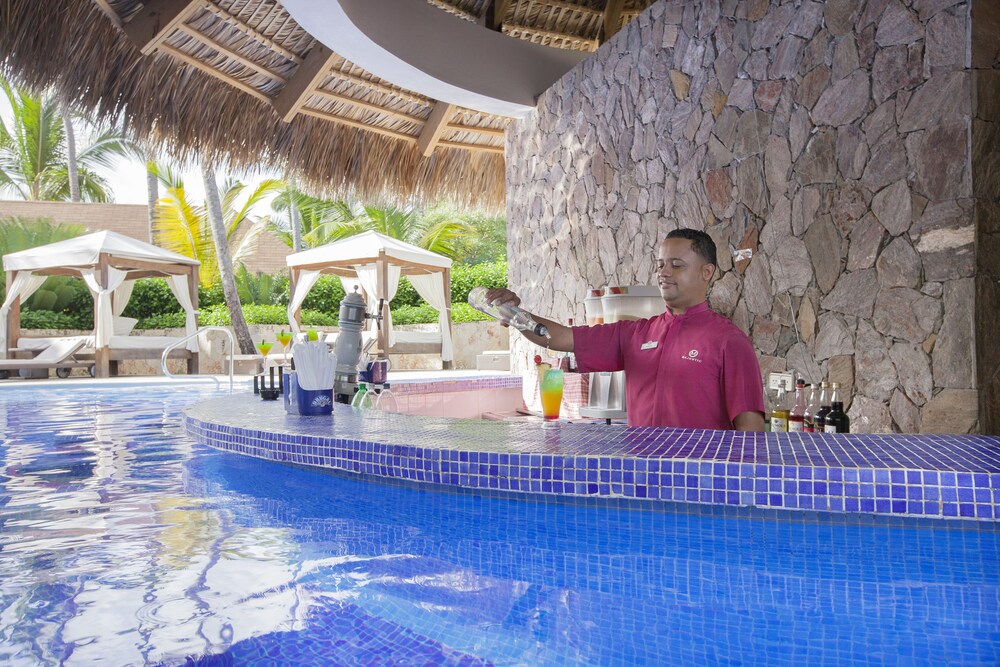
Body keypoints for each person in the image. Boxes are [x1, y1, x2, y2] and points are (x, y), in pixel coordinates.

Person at [487, 228, 765, 431]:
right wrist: (514, 315)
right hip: (641, 479)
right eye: (660, 264)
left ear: (707, 273)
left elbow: (750, 432)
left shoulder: (729, 342)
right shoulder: (635, 333)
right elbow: (559, 337)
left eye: (677, 265)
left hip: (699, 485)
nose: (664, 272)